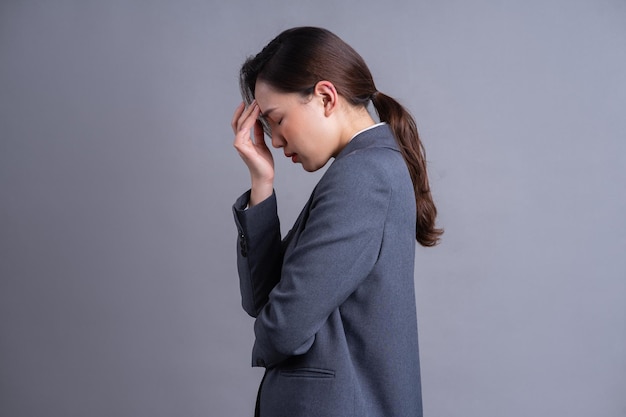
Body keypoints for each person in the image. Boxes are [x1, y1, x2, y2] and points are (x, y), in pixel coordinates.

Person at [231, 26, 442, 417]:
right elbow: (262, 300)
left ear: (326, 97)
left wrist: (267, 332)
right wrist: (262, 182)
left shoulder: (363, 176)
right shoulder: (362, 168)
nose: (274, 141)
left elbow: (280, 327)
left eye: (277, 120)